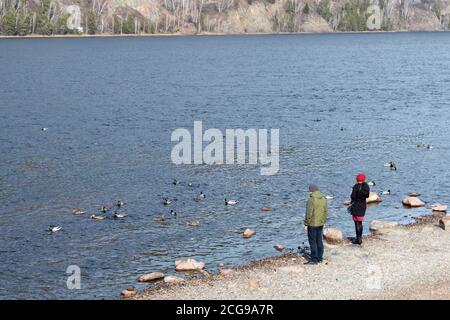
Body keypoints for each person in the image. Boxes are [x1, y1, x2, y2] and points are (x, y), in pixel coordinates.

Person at [304, 184, 328, 265]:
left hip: (312, 224)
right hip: (321, 223)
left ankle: (314, 259)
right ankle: (320, 258)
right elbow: (325, 212)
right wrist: (323, 221)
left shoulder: (311, 200)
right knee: (319, 240)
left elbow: (308, 213)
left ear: (311, 191)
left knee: (312, 241)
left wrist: (306, 223)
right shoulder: (323, 199)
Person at [350, 173, 370, 245]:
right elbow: (367, 196)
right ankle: (360, 238)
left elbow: (352, 197)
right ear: (364, 179)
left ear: (357, 179)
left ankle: (358, 239)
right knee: (360, 222)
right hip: (363, 205)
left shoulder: (356, 187)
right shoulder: (366, 186)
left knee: (356, 223)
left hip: (356, 205)